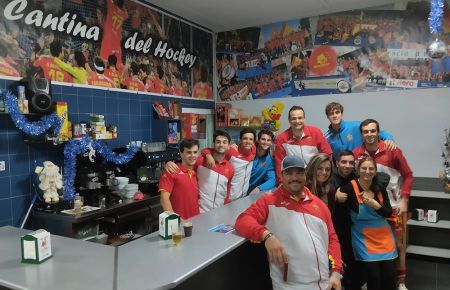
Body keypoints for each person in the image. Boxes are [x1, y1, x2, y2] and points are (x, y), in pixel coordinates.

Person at [235, 155, 343, 290]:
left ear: (305, 175)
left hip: (325, 283)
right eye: (289, 173)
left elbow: (332, 239)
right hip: (289, 285)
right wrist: (267, 236)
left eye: (299, 173)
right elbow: (242, 221)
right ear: (282, 175)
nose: (294, 178)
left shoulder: (319, 205)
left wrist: (336, 272)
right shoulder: (269, 201)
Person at [353, 119, 413, 290]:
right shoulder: (357, 153)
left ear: (378, 132)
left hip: (394, 207)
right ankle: (369, 278)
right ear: (361, 134)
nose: (369, 134)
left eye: (373, 131)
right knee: (370, 244)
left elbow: (408, 175)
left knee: (399, 245)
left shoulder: (392, 151)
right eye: (366, 131)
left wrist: (404, 199)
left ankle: (401, 281)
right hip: (369, 208)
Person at [339, 156, 397, 290]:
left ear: (375, 171)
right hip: (363, 237)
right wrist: (337, 194)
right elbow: (341, 213)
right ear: (358, 170)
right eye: (364, 168)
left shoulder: (379, 187)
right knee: (374, 276)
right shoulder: (350, 187)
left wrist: (376, 205)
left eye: (371, 168)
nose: (367, 171)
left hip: (384, 235)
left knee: (389, 275)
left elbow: (388, 213)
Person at [164, 130, 235, 213]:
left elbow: (227, 192)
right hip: (200, 212)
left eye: (224, 142)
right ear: (213, 144)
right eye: (218, 142)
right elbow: (186, 163)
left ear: (228, 146)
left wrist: (225, 209)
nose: (221, 145)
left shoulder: (230, 169)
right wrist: (169, 163)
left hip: (219, 212)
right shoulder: (200, 161)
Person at [274, 105, 332, 184]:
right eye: (293, 118)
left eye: (300, 118)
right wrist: (281, 183)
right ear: (289, 120)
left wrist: (323, 174)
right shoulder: (281, 139)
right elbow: (279, 164)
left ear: (304, 119)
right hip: (295, 179)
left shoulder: (316, 132)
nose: (297, 121)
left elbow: (327, 155)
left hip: (316, 177)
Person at [324, 102, 396, 160]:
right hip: (344, 171)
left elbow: (379, 132)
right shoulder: (326, 138)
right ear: (327, 116)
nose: (335, 116)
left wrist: (389, 138)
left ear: (341, 114)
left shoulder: (356, 126)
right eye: (331, 113)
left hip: (363, 166)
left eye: (337, 112)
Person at [203, 128, 256, 202]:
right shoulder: (231, 151)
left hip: (244, 197)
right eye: (245, 138)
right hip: (230, 198)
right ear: (240, 140)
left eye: (250, 139)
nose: (248, 141)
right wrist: (208, 155)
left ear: (253, 142)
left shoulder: (253, 151)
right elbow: (209, 149)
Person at [159, 139, 200, 220]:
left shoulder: (195, 172)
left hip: (196, 221)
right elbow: (164, 199)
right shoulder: (171, 171)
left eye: (195, 152)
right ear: (181, 154)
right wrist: (175, 219)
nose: (192, 155)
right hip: (179, 224)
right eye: (188, 152)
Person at [248, 129, 276, 195]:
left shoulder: (270, 160)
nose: (265, 142)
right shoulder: (249, 152)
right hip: (237, 190)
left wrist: (259, 188)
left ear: (271, 143)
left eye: (268, 140)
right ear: (258, 140)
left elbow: (272, 180)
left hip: (251, 193)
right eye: (263, 139)